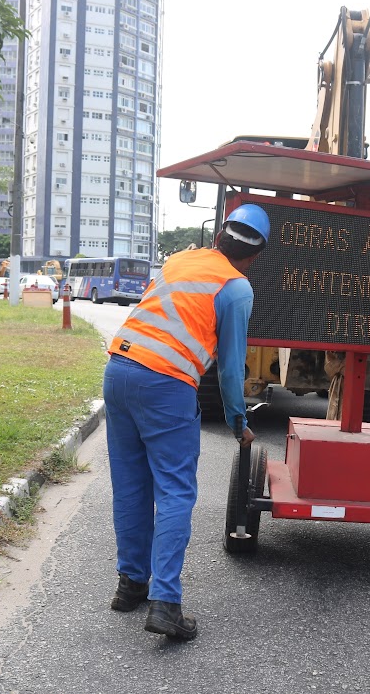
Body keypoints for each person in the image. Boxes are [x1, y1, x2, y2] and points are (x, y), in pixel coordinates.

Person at [103, 204, 270, 641]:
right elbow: (232, 369)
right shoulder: (236, 288)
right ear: (253, 256)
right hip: (165, 383)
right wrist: (238, 423)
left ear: (218, 238)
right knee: (175, 491)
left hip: (118, 370)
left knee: (131, 485)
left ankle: (131, 583)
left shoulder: (178, 260)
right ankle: (165, 603)